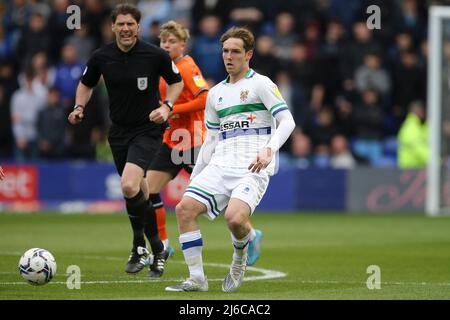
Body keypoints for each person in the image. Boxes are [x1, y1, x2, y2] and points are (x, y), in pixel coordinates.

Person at [165, 27, 296, 292]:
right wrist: (196, 174)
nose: (229, 56)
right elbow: (211, 139)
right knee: (184, 209)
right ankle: (197, 279)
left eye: (235, 51)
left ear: (248, 54)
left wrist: (269, 149)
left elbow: (287, 121)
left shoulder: (261, 84)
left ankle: (239, 258)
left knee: (235, 219)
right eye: (225, 51)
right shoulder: (216, 93)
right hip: (220, 163)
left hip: (252, 165)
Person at [68, 3, 184, 278]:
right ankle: (158, 248)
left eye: (130, 24)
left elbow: (176, 81)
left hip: (148, 130)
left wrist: (167, 106)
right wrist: (79, 107)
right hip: (118, 132)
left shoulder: (154, 55)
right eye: (121, 24)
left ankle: (138, 247)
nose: (126, 28)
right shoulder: (101, 56)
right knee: (139, 191)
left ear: (138, 27)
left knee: (129, 184)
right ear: (113, 27)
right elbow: (86, 83)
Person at [145, 20, 208, 261]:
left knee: (216, 197)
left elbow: (205, 97)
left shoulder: (187, 66)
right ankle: (162, 245)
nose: (166, 45)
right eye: (163, 41)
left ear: (183, 44)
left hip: (193, 141)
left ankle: (250, 233)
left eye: (172, 41)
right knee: (147, 190)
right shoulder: (164, 69)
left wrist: (173, 109)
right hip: (172, 140)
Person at [397, 100, 428, 168]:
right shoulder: (410, 128)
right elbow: (418, 148)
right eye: (423, 111)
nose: (424, 114)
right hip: (410, 168)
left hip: (419, 167)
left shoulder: (420, 126)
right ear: (418, 112)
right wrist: (436, 161)